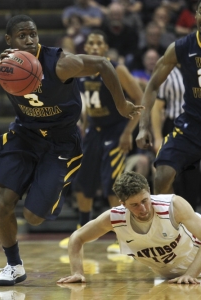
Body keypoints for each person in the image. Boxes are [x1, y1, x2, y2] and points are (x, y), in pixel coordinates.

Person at [0, 14, 144, 286]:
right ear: (9, 40)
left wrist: (122, 104)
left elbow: (103, 64)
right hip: (24, 135)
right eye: (22, 36)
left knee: (33, 217)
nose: (29, 40)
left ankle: (51, 185)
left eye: (33, 34)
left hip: (61, 141)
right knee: (3, 202)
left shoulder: (60, 63)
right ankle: (13, 265)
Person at [58, 30, 143, 251]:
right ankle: (81, 232)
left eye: (99, 43)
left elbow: (139, 99)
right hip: (93, 132)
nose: (95, 47)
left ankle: (123, 238)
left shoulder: (117, 68)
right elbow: (86, 104)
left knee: (113, 185)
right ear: (85, 48)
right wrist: (82, 128)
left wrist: (128, 132)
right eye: (91, 44)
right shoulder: (79, 71)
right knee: (82, 183)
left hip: (116, 130)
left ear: (105, 48)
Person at [57, 171, 201, 284]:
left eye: (145, 200)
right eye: (135, 205)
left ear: (149, 192)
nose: (143, 208)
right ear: (123, 204)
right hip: (170, 275)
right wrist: (77, 272)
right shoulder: (114, 218)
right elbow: (77, 237)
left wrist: (190, 275)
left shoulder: (173, 206)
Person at [136, 0, 201, 195]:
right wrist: (143, 126)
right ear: (196, 16)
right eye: (200, 11)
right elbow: (153, 85)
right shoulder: (181, 47)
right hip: (191, 125)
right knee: (162, 175)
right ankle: (161, 224)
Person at [151, 66, 201, 211]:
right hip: (172, 126)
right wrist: (158, 136)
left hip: (194, 127)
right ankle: (169, 215)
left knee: (191, 177)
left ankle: (189, 217)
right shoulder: (168, 73)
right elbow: (157, 107)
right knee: (169, 174)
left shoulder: (196, 68)